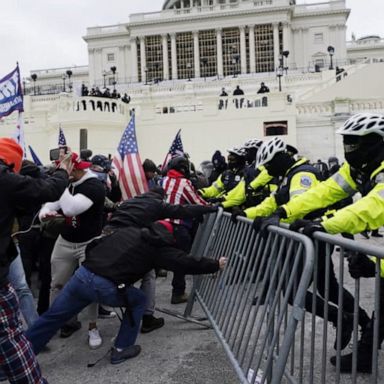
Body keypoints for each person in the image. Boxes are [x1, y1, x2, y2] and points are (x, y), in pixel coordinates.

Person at [26, 218, 226, 364]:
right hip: (104, 286)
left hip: (82, 275)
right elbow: (185, 263)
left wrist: (95, 264)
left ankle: (18, 357)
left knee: (53, 316)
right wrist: (215, 264)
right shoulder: (161, 249)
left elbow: (95, 243)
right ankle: (121, 348)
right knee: (139, 300)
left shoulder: (130, 231)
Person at [234, 137, 370, 351]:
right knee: (328, 288)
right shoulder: (288, 176)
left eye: (270, 164)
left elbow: (301, 207)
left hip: (311, 238)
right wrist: (247, 213)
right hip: (307, 239)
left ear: (281, 158)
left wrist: (280, 217)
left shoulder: (302, 174)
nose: (268, 170)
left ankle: (344, 319)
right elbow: (273, 202)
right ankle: (364, 322)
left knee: (293, 291)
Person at [281, 113, 384, 373]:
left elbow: (373, 207)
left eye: (355, 143)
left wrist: (327, 224)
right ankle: (365, 356)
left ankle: (365, 354)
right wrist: (286, 211)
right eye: (347, 143)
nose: (349, 149)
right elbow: (324, 191)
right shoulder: (359, 169)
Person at [0, 137, 72, 383]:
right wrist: (62, 170)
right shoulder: (4, 178)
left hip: (11, 252)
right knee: (10, 336)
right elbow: (48, 190)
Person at [105, 187, 218, 333]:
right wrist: (208, 209)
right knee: (148, 275)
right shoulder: (156, 204)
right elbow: (182, 211)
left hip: (108, 239)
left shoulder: (131, 201)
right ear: (161, 198)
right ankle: (147, 318)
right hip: (126, 240)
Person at [39, 152, 106, 349]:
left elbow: (70, 209)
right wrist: (45, 212)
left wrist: (60, 183)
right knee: (57, 284)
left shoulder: (94, 185)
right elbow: (51, 202)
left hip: (89, 242)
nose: (83, 170)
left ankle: (93, 327)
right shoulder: (67, 184)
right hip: (66, 240)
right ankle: (55, 325)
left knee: (91, 286)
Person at [162, 156, 209, 304]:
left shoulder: (164, 181)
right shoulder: (183, 182)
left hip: (161, 224)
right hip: (178, 227)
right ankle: (178, 292)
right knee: (181, 260)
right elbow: (196, 201)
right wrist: (210, 206)